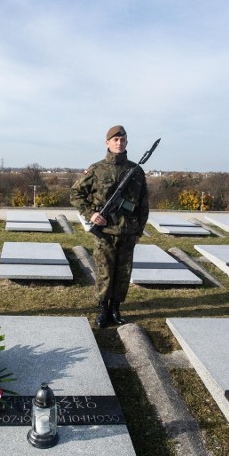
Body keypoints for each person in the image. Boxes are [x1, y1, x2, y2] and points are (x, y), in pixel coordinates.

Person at [70, 125, 149, 327]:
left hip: (128, 232)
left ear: (126, 143)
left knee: (123, 273)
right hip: (105, 232)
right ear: (107, 143)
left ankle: (116, 308)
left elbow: (143, 204)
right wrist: (91, 214)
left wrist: (138, 231)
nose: (119, 143)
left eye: (122, 140)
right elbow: (75, 194)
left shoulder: (136, 171)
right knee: (105, 272)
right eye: (115, 140)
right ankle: (103, 309)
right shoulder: (96, 169)